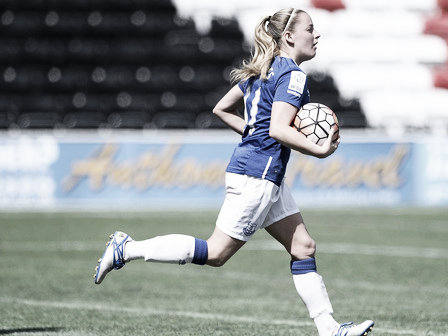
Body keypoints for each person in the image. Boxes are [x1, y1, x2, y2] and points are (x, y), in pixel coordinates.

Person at [93, 8, 374, 336]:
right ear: (289, 37)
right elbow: (279, 130)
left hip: (263, 174)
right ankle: (126, 248)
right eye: (310, 29)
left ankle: (329, 328)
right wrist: (320, 150)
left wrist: (253, 132)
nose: (316, 35)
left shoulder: (263, 70)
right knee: (215, 252)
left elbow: (221, 109)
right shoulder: (293, 75)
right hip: (258, 176)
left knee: (303, 247)